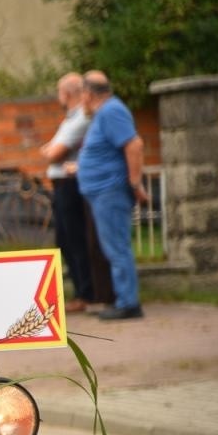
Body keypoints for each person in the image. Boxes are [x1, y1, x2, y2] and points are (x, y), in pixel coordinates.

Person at [75, 71, 149, 321]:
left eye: (81, 94)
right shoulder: (104, 113)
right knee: (113, 246)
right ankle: (125, 299)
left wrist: (135, 182)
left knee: (117, 247)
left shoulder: (111, 111)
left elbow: (134, 145)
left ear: (88, 93)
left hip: (110, 190)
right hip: (102, 191)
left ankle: (128, 302)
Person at [39, 73, 95, 313]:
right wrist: (50, 150)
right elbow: (48, 148)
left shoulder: (81, 117)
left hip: (70, 185)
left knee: (75, 239)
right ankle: (80, 292)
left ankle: (86, 293)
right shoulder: (70, 119)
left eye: (59, 91)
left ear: (67, 93)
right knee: (63, 240)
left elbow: (52, 152)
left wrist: (51, 151)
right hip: (60, 185)